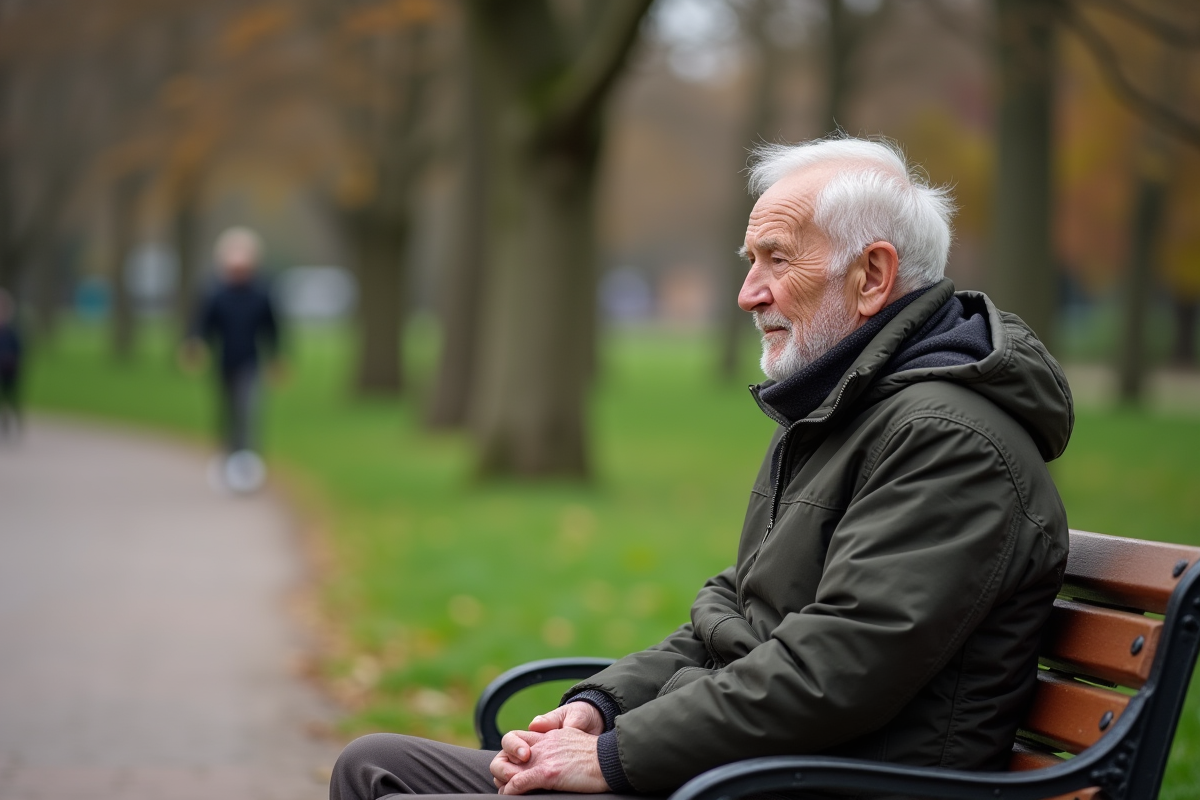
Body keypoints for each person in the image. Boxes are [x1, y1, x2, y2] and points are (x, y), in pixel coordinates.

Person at [329, 136, 1073, 799]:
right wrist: (600, 707)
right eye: (751, 262)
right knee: (377, 765)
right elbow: (737, 614)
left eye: (777, 260)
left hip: (799, 780)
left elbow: (833, 673)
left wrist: (612, 760)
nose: (749, 293)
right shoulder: (843, 415)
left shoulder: (947, 441)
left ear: (871, 276)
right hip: (740, 769)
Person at [181, 227, 281, 492]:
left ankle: (248, 467)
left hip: (251, 363)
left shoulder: (261, 293)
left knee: (248, 413)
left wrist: (277, 359)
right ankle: (227, 463)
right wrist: (194, 345)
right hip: (224, 362)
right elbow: (200, 324)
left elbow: (272, 328)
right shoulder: (215, 293)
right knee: (227, 415)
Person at [0, 289, 23, 438]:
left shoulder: (12, 331)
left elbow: (19, 350)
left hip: (10, 371)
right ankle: (4, 424)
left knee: (12, 398)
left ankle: (15, 424)